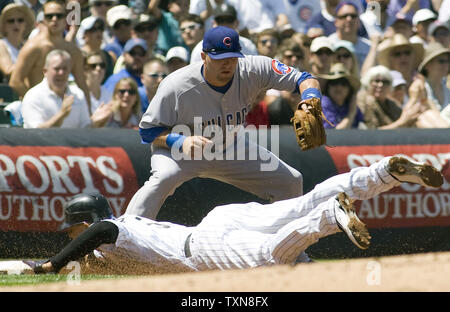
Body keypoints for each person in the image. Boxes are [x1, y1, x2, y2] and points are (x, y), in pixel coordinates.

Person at [23, 156, 444, 274]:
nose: (70, 232)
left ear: (83, 220)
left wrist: (50, 265)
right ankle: (380, 174)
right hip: (217, 222)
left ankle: (330, 219)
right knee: (303, 201)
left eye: (71, 225)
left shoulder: (110, 229)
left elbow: (97, 231)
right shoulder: (109, 241)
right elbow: (93, 247)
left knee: (269, 257)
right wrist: (36, 266)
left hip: (204, 248)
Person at [126, 26, 322, 221]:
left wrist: (309, 98)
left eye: (232, 58)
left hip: (229, 146)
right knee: (163, 179)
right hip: (180, 149)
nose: (227, 64)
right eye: (219, 59)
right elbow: (147, 131)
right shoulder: (176, 85)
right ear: (204, 57)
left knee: (290, 181)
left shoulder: (254, 68)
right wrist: (179, 141)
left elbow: (304, 78)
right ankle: (122, 239)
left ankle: (286, 248)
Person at [8, 0, 91, 113]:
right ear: (43, 19)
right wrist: (34, 102)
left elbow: (82, 84)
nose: (54, 19)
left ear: (65, 18)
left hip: (65, 109)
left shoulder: (72, 50)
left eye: (59, 16)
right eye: (49, 16)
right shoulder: (33, 47)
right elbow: (15, 81)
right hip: (38, 110)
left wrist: (89, 113)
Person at [21, 49, 110, 129]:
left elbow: (84, 130)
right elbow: (36, 134)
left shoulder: (78, 95)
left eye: (65, 69)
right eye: (57, 69)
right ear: (45, 71)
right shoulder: (33, 96)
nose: (61, 73)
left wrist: (95, 123)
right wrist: (61, 114)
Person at [357, 65, 425, 129]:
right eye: (376, 81)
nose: (380, 85)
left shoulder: (392, 105)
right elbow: (370, 134)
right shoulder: (362, 99)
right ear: (368, 82)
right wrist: (401, 123)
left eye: (385, 82)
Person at [189, 3, 258, 64]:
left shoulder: (248, 46)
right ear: (213, 24)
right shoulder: (200, 48)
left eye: (229, 20)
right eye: (220, 21)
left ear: (237, 23)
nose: (224, 24)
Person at [318, 63, 364, 129]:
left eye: (343, 83)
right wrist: (351, 114)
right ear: (328, 87)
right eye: (334, 82)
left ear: (349, 89)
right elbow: (335, 134)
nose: (339, 87)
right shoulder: (323, 103)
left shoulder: (351, 105)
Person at [328, 1, 371, 69]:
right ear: (336, 21)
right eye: (344, 16)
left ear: (359, 21)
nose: (349, 19)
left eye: (353, 16)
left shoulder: (368, 47)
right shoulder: (328, 45)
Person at [417, 42, 450, 126]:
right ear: (428, 65)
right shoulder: (421, 88)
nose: (446, 65)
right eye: (441, 61)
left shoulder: (447, 90)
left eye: (447, 61)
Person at [0, 3, 35, 82]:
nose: (16, 24)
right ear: (4, 25)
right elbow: (8, 70)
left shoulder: (28, 44)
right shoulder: (1, 45)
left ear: (26, 24)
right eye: (11, 21)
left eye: (20, 20)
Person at [77, 15, 114, 83]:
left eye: (100, 28)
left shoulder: (109, 56)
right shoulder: (78, 56)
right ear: (83, 34)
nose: (98, 32)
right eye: (93, 29)